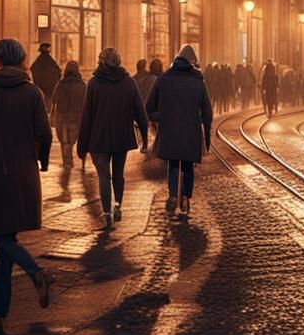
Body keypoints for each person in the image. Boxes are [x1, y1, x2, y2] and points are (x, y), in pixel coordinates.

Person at [0, 38, 54, 335]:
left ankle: (34, 273)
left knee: (2, 237)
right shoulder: (32, 92)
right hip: (23, 173)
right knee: (6, 239)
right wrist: (39, 162)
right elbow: (44, 133)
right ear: (21, 59)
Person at [77, 47, 149, 227]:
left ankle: (107, 212)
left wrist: (82, 146)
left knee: (104, 176)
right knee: (118, 174)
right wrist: (145, 138)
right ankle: (117, 204)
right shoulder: (129, 82)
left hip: (99, 138)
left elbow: (86, 117)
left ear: (101, 61)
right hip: (121, 137)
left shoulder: (93, 84)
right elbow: (140, 112)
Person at [146, 44, 212, 219]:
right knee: (188, 165)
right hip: (191, 130)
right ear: (192, 62)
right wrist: (207, 137)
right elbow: (207, 112)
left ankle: (173, 195)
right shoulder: (198, 80)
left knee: (173, 164)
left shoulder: (163, 79)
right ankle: (185, 197)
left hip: (170, 131)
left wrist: (162, 117)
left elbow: (149, 108)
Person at [51, 61, 86, 169]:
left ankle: (67, 161)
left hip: (62, 116)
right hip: (77, 116)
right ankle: (69, 160)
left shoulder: (60, 84)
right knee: (71, 141)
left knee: (64, 140)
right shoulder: (82, 85)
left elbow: (54, 99)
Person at [30, 42, 61, 106]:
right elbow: (58, 73)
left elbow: (33, 70)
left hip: (40, 89)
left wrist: (37, 83)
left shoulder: (38, 61)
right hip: (50, 90)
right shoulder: (51, 62)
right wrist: (53, 83)